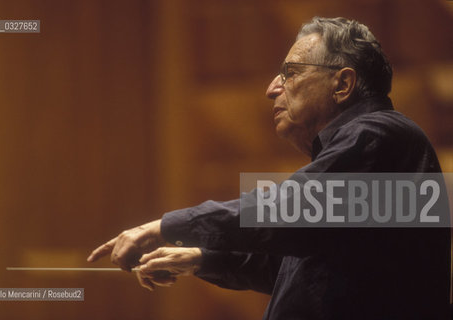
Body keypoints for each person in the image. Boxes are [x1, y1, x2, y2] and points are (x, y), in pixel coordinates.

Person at [87, 17, 451, 320]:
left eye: (290, 72)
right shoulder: (375, 148)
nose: (271, 88)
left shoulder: (380, 135)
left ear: (342, 84)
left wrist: (166, 226)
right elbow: (303, 267)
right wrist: (200, 258)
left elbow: (286, 209)